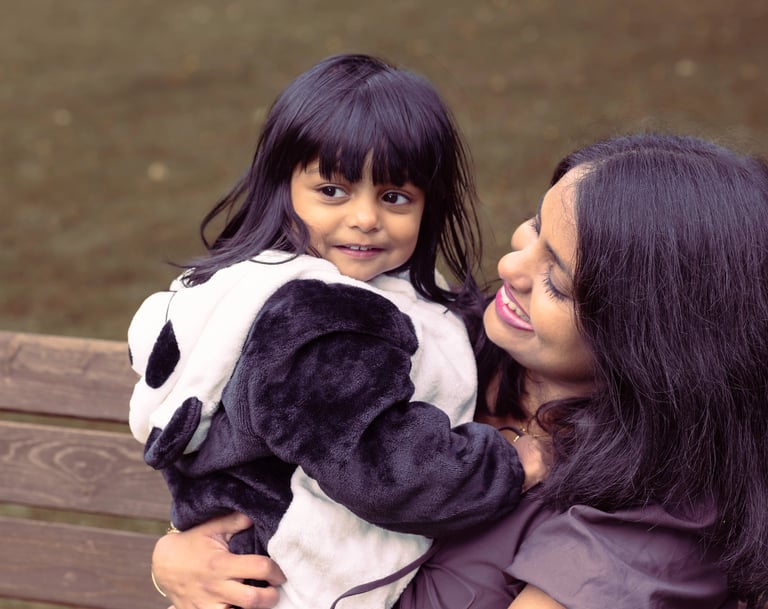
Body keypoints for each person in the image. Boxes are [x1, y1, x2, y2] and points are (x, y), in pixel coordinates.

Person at [150, 132, 768, 609]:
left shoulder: (657, 507)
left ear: (651, 336)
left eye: (555, 278)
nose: (511, 266)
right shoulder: (442, 341)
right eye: (532, 227)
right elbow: (257, 468)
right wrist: (178, 559)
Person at [127, 54, 549, 609]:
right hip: (283, 580)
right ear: (284, 189)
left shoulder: (383, 292)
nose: (366, 218)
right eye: (333, 191)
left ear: (429, 206)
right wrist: (513, 465)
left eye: (395, 197)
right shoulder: (312, 323)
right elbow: (384, 467)